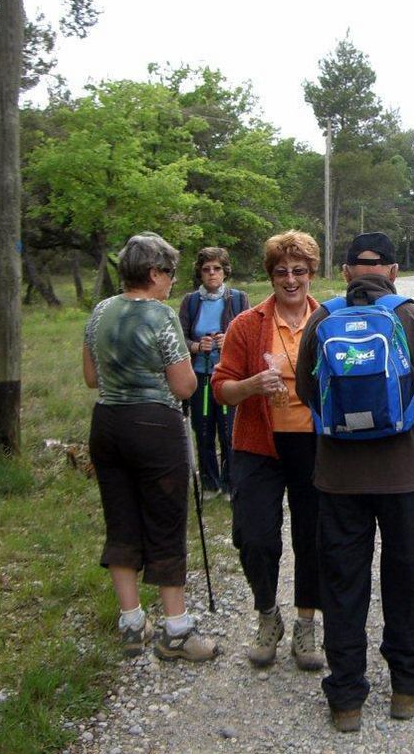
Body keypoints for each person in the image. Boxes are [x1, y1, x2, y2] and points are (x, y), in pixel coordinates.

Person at [296, 232, 414, 733]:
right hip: (406, 476)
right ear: (393, 270)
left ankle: (346, 697)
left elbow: (309, 391)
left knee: (344, 584)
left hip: (338, 477)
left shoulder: (322, 319)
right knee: (406, 577)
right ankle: (409, 687)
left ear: (345, 271)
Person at [83, 231, 219, 663]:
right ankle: (176, 630)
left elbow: (90, 377)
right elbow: (183, 383)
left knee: (120, 518)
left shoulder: (100, 311)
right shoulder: (160, 317)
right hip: (153, 425)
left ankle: (131, 622)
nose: (172, 282)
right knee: (164, 519)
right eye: (170, 273)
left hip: (106, 423)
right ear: (154, 272)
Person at [210, 231, 324, 671]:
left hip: (313, 444)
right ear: (271, 275)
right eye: (281, 272)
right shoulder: (247, 324)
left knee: (312, 537)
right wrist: (252, 385)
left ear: (311, 273)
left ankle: (306, 623)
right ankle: (267, 616)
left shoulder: (327, 320)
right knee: (254, 536)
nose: (291, 280)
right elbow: (221, 388)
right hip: (258, 444)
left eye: (299, 271)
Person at [178, 246, 249, 499]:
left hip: (228, 375)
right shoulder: (190, 301)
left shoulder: (238, 299)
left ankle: (231, 483)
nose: (211, 274)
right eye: (206, 269)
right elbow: (180, 338)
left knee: (230, 430)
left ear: (225, 271)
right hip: (199, 375)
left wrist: (227, 340)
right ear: (200, 272)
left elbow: (248, 336)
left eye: (216, 269)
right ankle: (209, 483)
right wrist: (198, 346)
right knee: (204, 428)